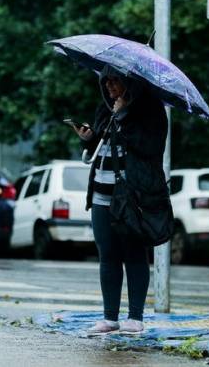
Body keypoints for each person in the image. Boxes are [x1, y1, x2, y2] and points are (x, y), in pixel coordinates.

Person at [72, 65, 168, 334]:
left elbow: (151, 147)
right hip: (102, 195)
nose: (110, 87)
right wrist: (89, 139)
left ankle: (135, 317)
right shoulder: (105, 109)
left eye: (115, 81)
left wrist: (124, 116)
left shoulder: (150, 110)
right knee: (108, 254)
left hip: (131, 196)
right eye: (106, 82)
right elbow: (101, 147)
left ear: (130, 83)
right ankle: (109, 317)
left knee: (134, 254)